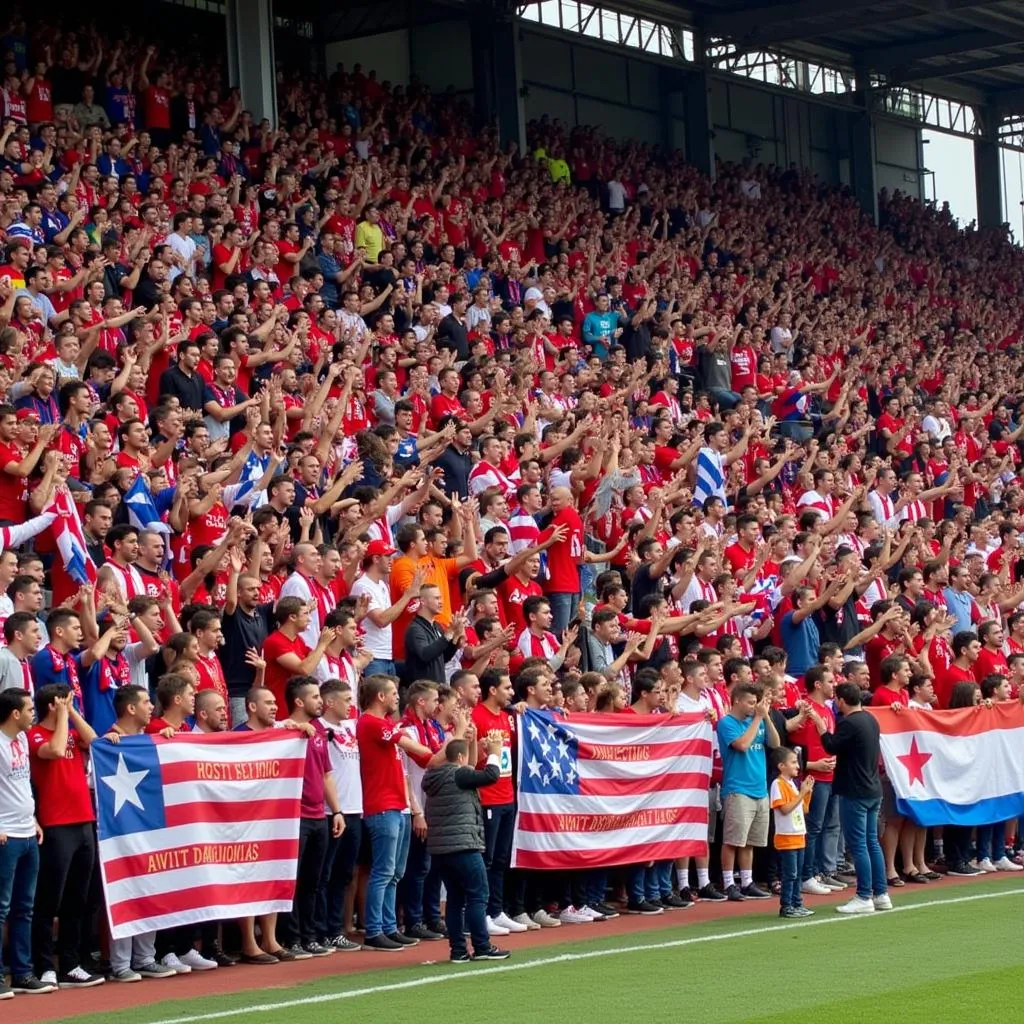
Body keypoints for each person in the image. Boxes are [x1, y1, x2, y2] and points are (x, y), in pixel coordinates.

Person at [422, 733, 511, 962]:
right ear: (460, 756)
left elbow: (474, 772)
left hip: (441, 849)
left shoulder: (434, 776)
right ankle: (481, 946)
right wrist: (494, 751)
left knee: (455, 899)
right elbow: (492, 775)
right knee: (478, 894)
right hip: (463, 846)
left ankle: (458, 950)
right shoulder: (458, 774)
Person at [809, 682, 892, 914]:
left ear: (842, 701)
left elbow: (831, 746)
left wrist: (820, 725)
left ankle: (864, 895)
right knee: (871, 842)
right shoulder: (870, 719)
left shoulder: (850, 722)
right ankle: (881, 893)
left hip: (855, 791)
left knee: (859, 845)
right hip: (872, 789)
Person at [0, 687, 54, 997]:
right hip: (6, 835)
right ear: (14, 713)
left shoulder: (21, 738)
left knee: (24, 908)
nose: (34, 712)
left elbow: (23, 784)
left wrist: (33, 819)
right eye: (29, 708)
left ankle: (22, 973)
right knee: (2, 908)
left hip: (27, 832)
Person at [716, 683, 780, 900]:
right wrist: (757, 719)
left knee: (750, 841)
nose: (754, 707)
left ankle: (746, 881)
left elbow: (775, 743)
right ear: (737, 701)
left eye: (756, 703)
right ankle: (728, 883)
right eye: (751, 702)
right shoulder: (727, 723)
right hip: (737, 788)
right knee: (733, 840)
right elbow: (742, 745)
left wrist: (766, 718)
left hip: (759, 788)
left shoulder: (758, 720)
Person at [770, 747, 815, 919]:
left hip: (798, 835)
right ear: (781, 766)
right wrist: (802, 793)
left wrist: (807, 794)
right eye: (793, 762)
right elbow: (785, 809)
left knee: (798, 873)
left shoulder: (792, 784)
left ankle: (797, 902)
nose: (798, 765)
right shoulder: (778, 784)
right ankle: (786, 905)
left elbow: (803, 809)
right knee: (790, 874)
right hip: (787, 836)